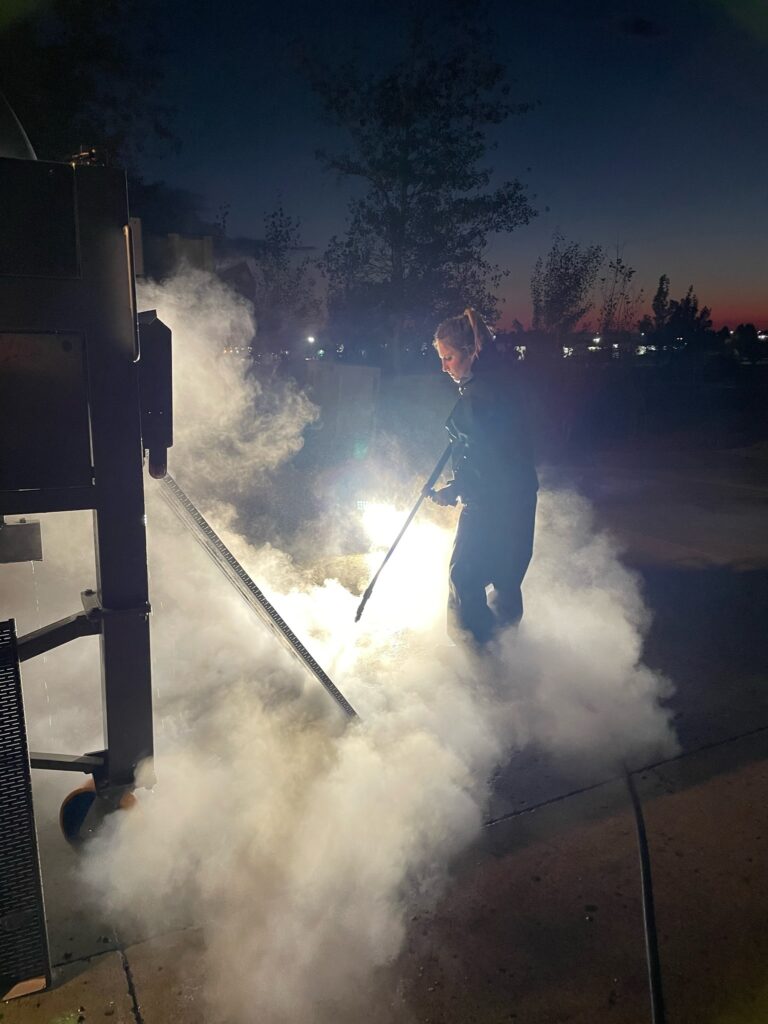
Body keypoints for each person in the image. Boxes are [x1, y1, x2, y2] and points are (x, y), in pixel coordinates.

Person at [427, 308, 538, 647]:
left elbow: (489, 460)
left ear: (471, 353)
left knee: (464, 576)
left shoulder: (483, 397)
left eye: (448, 357)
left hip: (492, 502)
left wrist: (455, 489)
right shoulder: (494, 385)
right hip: (516, 498)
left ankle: (480, 656)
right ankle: (506, 652)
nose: (444, 366)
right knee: (505, 577)